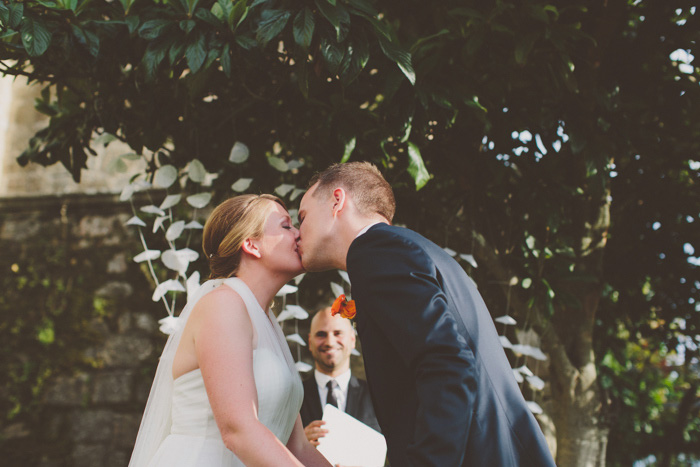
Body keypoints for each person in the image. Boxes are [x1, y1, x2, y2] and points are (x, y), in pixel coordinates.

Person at [297, 162, 556, 466]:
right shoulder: (408, 248)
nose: (298, 232)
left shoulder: (375, 251)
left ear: (337, 201)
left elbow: (447, 362)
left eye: (301, 217)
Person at [129, 194, 331, 467]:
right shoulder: (223, 305)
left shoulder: (266, 320)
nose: (299, 234)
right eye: (286, 226)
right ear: (251, 245)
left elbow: (297, 447)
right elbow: (238, 431)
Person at [301, 307, 380, 446]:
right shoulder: (294, 397)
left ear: (352, 339)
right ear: (310, 342)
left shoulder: (377, 396)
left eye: (338, 333)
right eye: (321, 334)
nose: (330, 342)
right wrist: (298, 445)